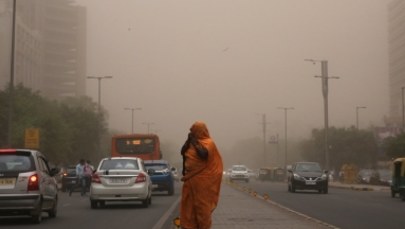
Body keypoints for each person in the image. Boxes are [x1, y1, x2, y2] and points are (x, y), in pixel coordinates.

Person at [180, 121, 223, 229]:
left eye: (193, 131)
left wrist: (194, 142)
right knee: (189, 208)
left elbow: (203, 155)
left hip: (203, 181)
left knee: (202, 209)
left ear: (200, 131)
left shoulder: (209, 143)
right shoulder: (190, 143)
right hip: (190, 180)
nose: (192, 133)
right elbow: (182, 152)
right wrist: (188, 140)